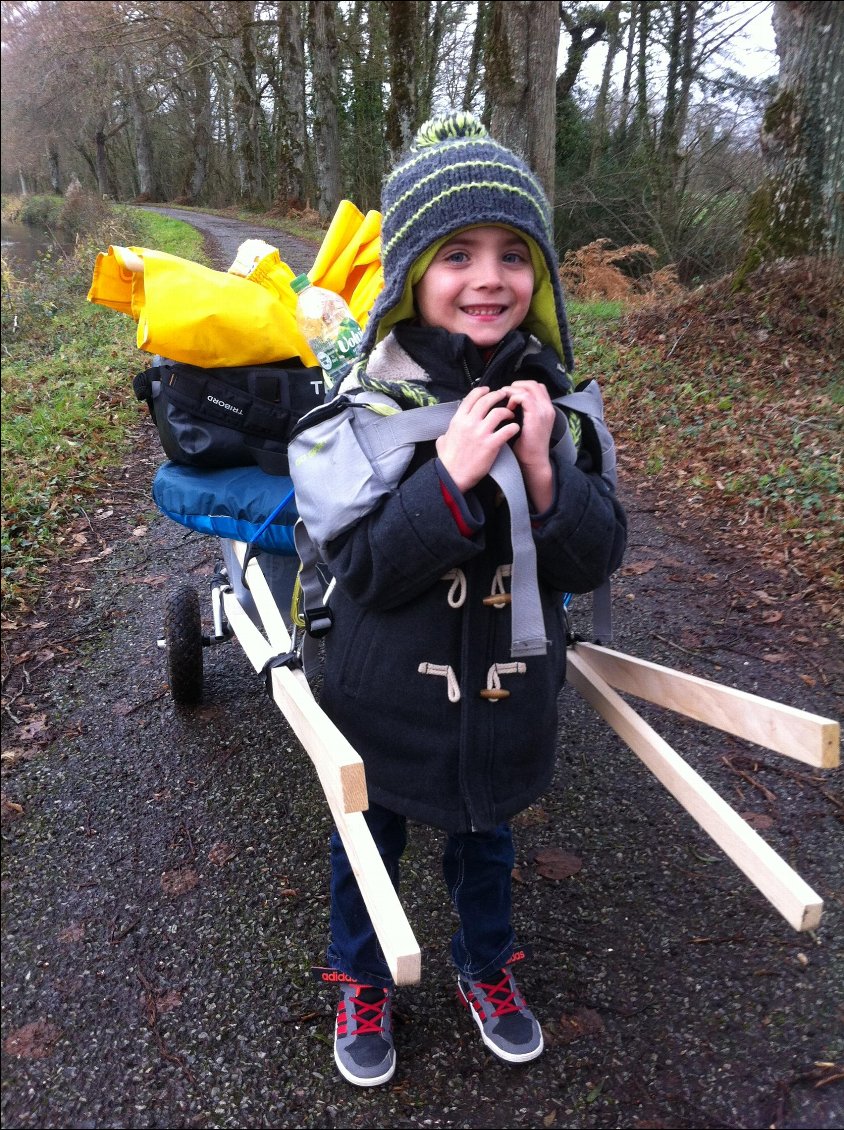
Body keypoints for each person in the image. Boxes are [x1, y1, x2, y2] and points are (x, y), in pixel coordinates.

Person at [311, 111, 627, 1087]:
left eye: (511, 253)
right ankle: (362, 976)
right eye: (456, 253)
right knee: (368, 845)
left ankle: (484, 963)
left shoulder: (558, 407)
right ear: (410, 271)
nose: (488, 276)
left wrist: (542, 471)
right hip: (382, 700)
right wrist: (443, 480)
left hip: (505, 695)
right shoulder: (368, 413)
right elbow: (358, 567)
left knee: (485, 841)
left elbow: (595, 551)